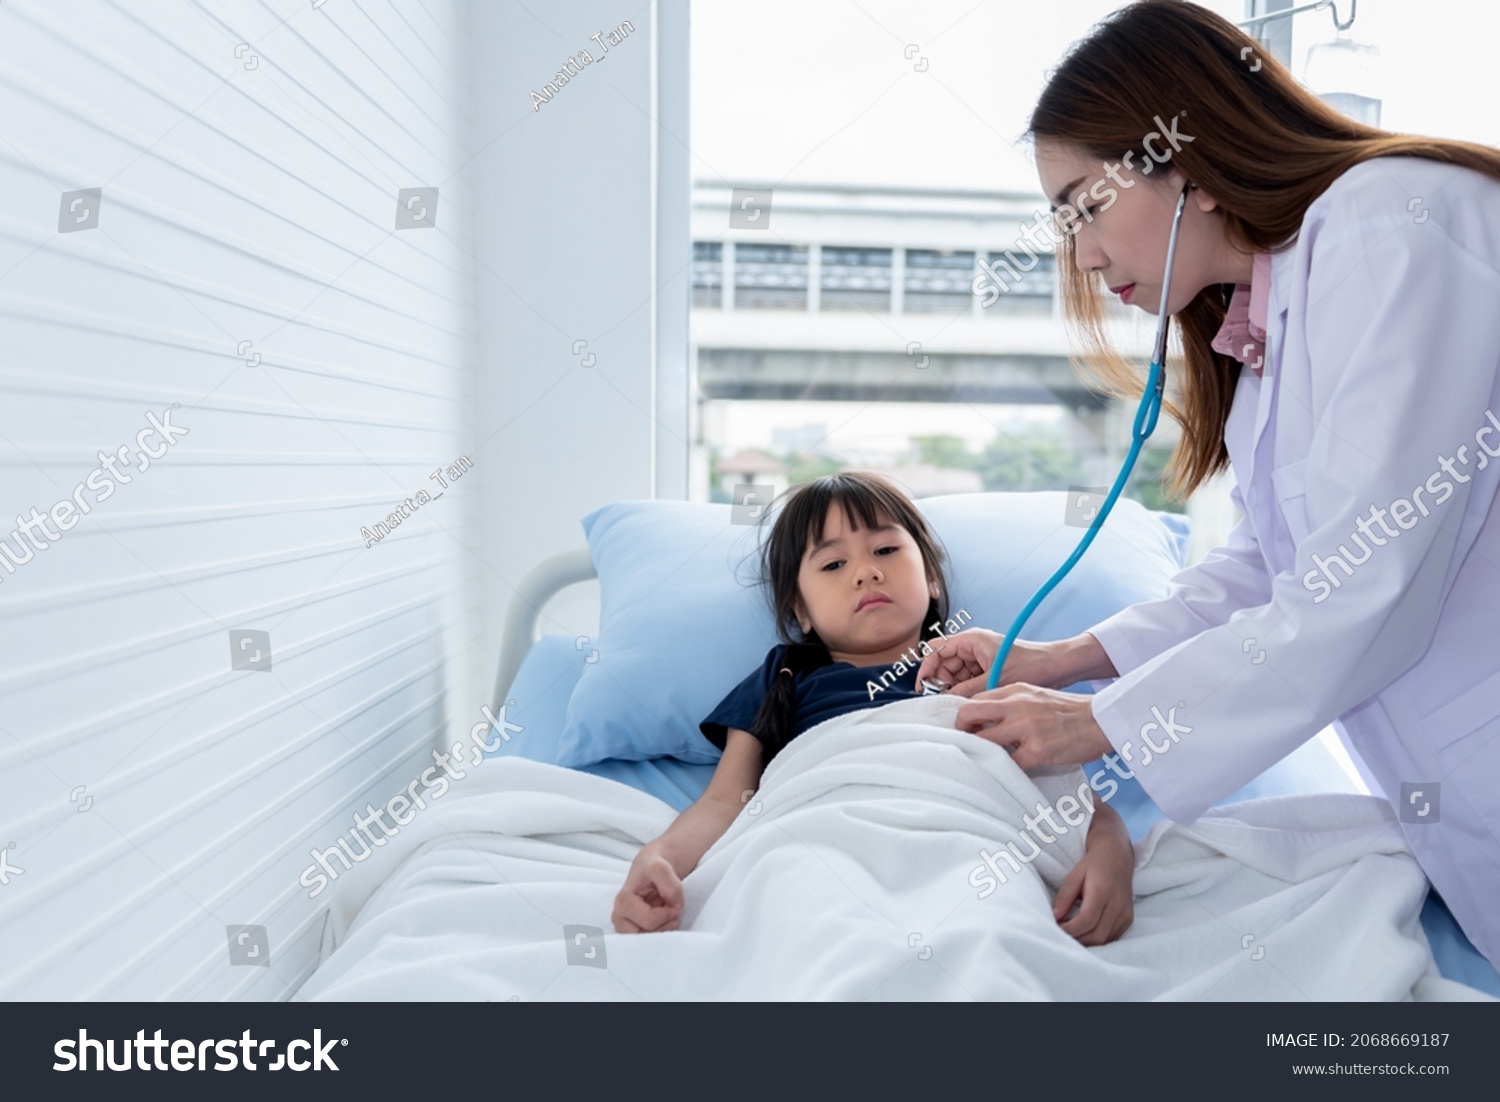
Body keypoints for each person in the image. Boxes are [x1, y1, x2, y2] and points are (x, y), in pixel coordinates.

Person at [918, 0, 1500, 967]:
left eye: (1087, 207)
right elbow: (1270, 569)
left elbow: (1365, 584)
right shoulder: (1269, 328)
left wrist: (1099, 727)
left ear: (1185, 166)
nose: (1084, 255)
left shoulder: (1386, 224)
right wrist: (1067, 661)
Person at [611, 472, 1135, 944]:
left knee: (983, 929)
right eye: (834, 563)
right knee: (805, 918)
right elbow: (727, 802)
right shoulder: (785, 679)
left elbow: (1074, 798)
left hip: (968, 842)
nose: (865, 572)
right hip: (819, 837)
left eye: (885, 550)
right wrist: (659, 858)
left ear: (931, 578)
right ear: (802, 611)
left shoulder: (988, 669)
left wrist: (1112, 860)